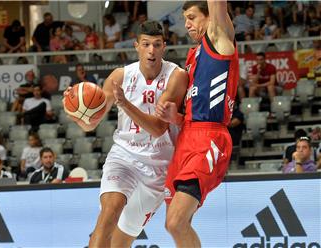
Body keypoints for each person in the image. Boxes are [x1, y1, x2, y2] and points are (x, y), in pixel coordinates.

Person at [63, 20, 188, 247]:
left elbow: (159, 128)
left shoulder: (176, 76)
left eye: (157, 45)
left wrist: (126, 104)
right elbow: (90, 125)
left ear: (164, 47)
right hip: (124, 156)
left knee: (121, 241)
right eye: (146, 44)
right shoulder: (120, 76)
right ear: (136, 45)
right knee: (108, 215)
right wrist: (75, 111)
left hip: (158, 166)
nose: (151, 50)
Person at [155, 1, 239, 247]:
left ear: (209, 17)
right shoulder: (193, 55)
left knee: (176, 222)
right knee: (175, 222)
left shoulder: (219, 37)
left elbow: (218, 6)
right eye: (184, 19)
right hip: (187, 137)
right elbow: (195, 111)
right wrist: (175, 118)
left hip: (209, 138)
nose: (187, 24)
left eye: (192, 17)